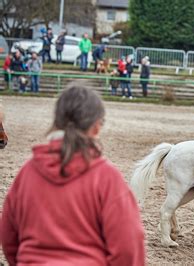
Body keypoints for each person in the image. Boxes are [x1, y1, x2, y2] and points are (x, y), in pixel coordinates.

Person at [0, 85, 145, 265]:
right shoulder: (107, 177)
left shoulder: (27, 172)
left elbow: (8, 236)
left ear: (56, 121)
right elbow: (128, 246)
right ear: (96, 127)